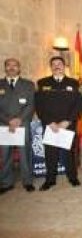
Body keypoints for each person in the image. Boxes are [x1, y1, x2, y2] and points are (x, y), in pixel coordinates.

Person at [35, 56, 81, 191]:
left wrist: (67, 121)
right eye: (54, 64)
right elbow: (39, 105)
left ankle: (72, 177)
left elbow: (78, 105)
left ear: (64, 66)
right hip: (51, 126)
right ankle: (50, 180)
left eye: (59, 64)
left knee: (69, 153)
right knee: (50, 153)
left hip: (67, 124)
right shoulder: (43, 83)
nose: (57, 66)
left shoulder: (73, 83)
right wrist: (49, 122)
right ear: (51, 67)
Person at [0, 58, 35, 194]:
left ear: (19, 68)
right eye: (9, 65)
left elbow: (31, 105)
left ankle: (27, 181)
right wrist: (8, 120)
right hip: (4, 125)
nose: (12, 67)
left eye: (15, 65)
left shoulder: (28, 84)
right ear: (5, 68)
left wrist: (19, 119)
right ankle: (6, 182)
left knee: (24, 153)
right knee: (5, 154)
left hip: (23, 123)